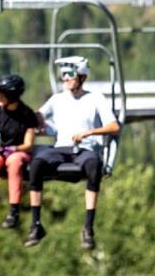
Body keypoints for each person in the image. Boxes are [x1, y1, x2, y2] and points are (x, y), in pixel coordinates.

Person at [24, 56, 120, 250]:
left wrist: (89, 132)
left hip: (85, 149)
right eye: (63, 74)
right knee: (37, 165)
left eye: (70, 74)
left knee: (94, 166)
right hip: (61, 149)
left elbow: (114, 126)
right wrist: (36, 120)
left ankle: (88, 227)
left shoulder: (95, 98)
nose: (65, 78)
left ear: (82, 76)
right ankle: (36, 225)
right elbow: (38, 115)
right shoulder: (57, 99)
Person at [0, 74, 37, 229]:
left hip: (18, 151)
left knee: (15, 161)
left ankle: (14, 211)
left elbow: (28, 144)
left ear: (12, 96)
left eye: (1, 93)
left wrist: (14, 149)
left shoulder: (27, 114)